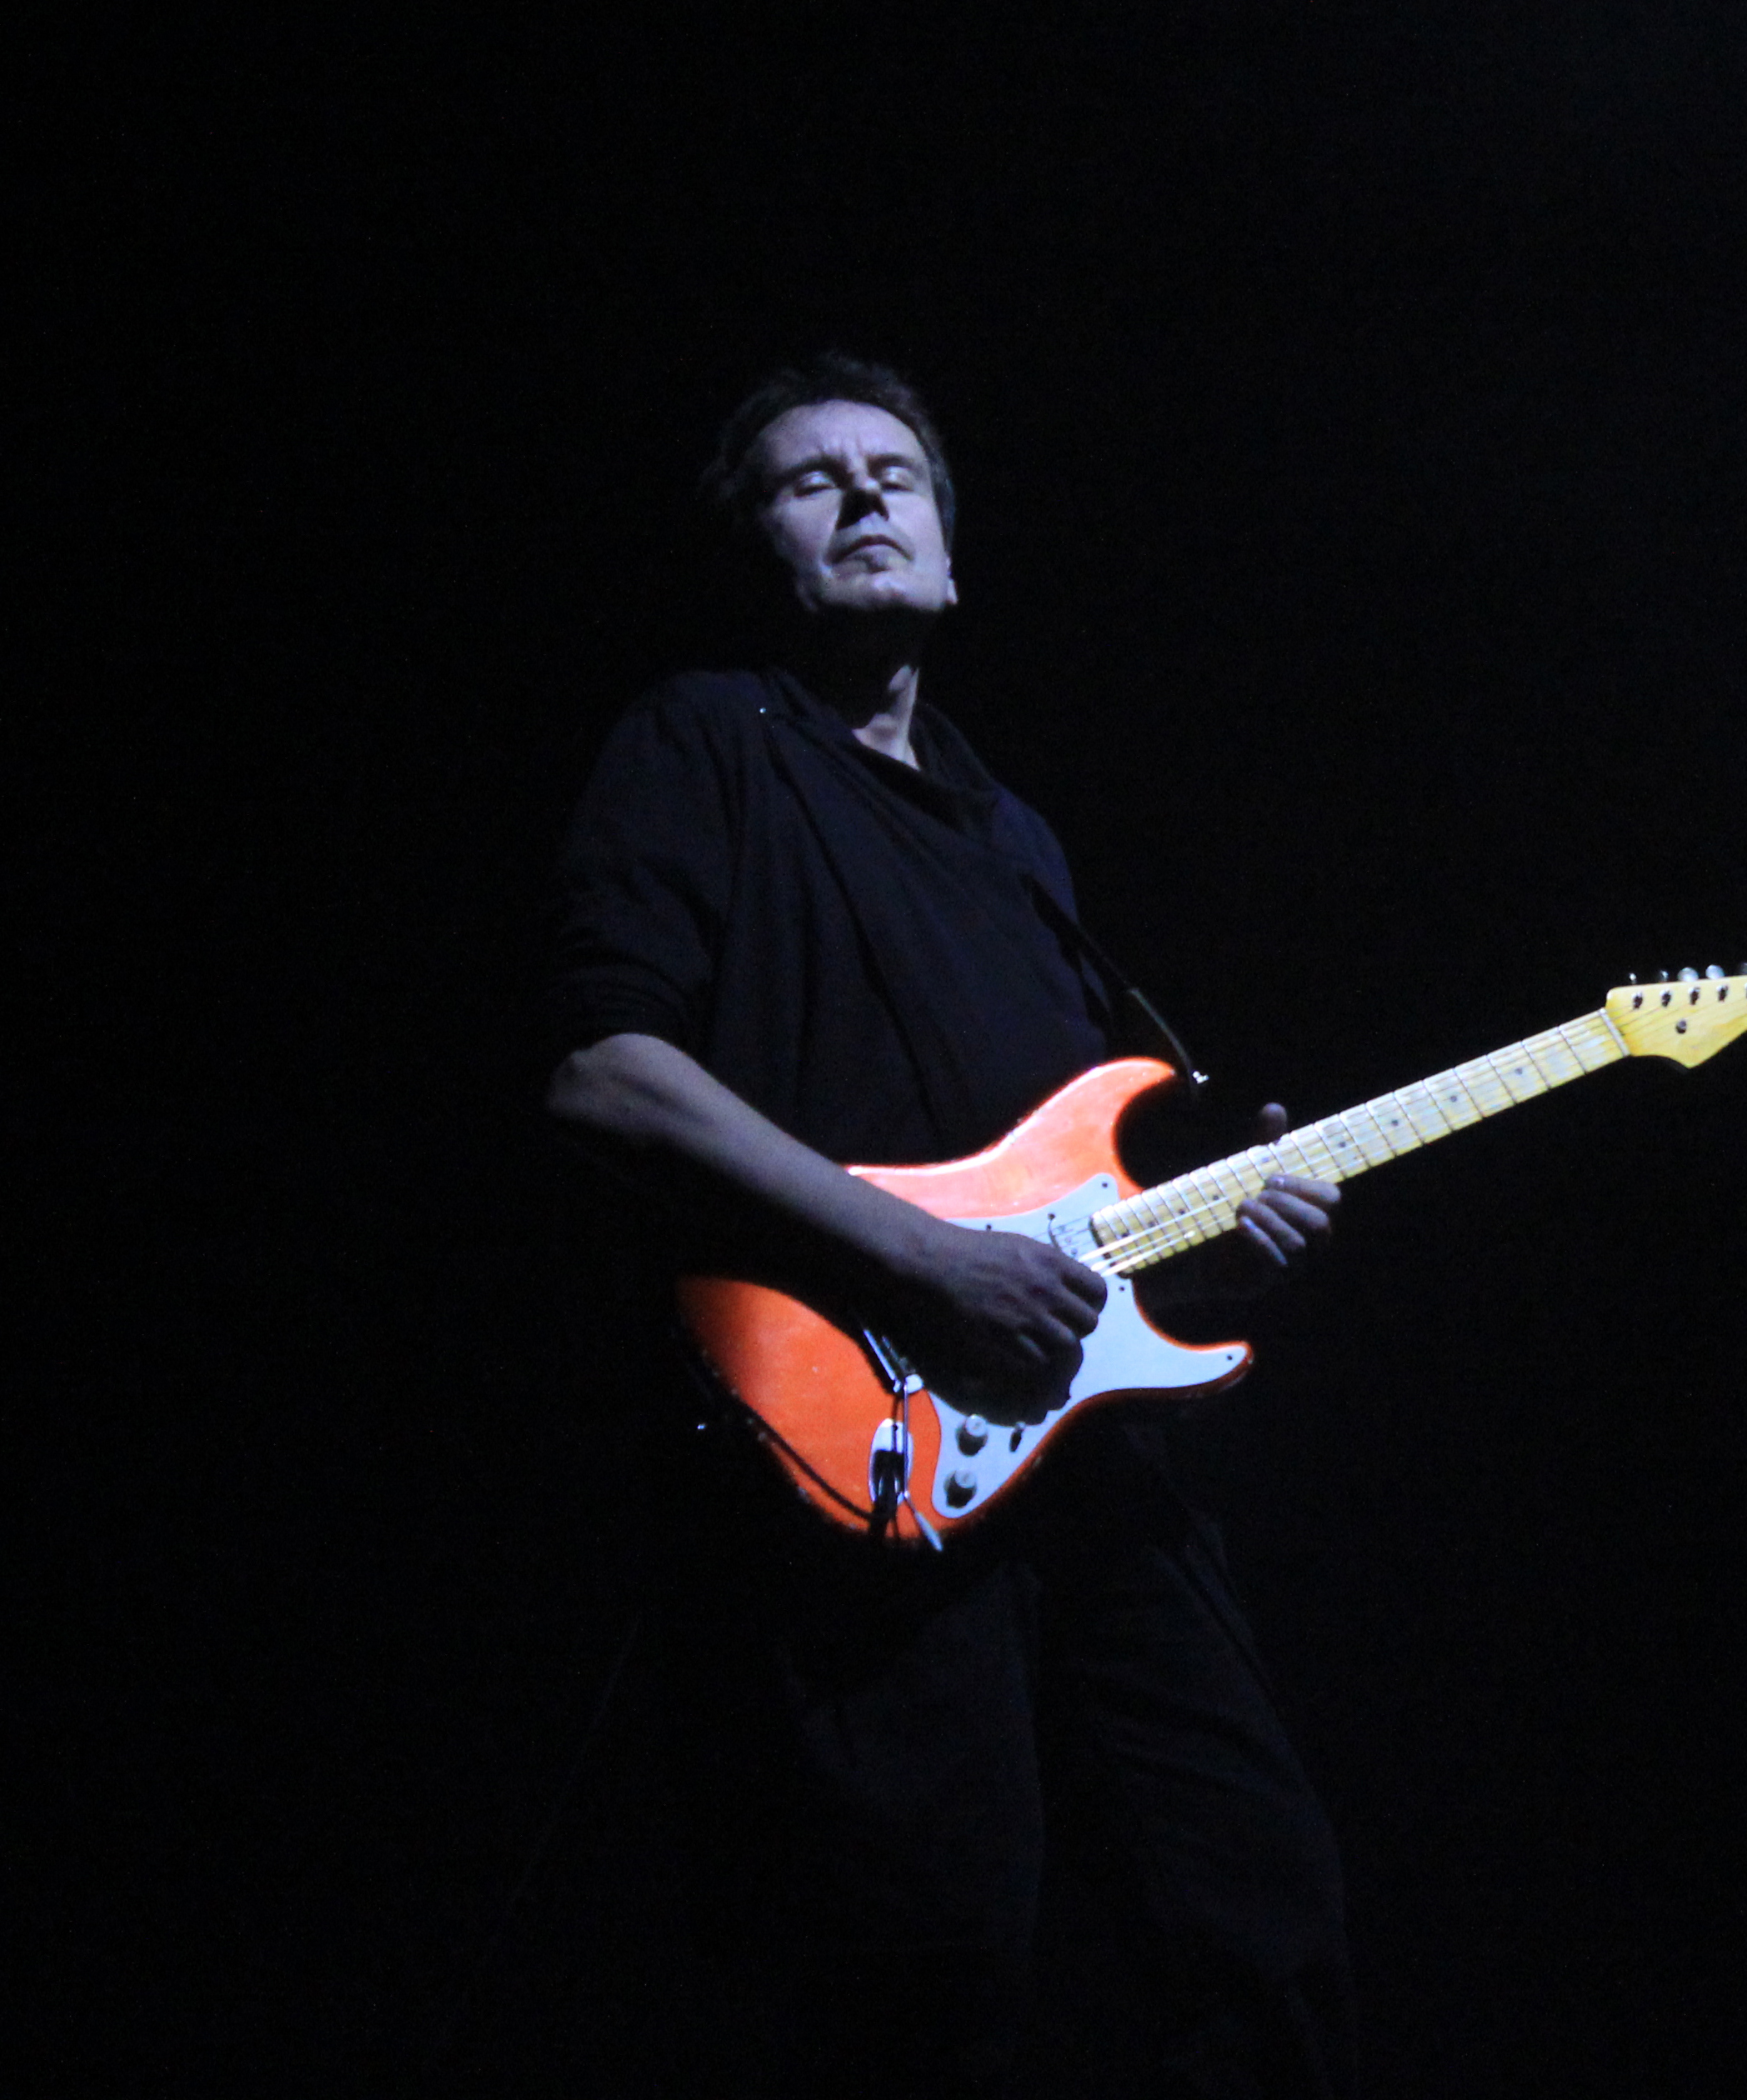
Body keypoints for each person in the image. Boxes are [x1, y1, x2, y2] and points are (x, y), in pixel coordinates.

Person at [542, 355, 1357, 2098]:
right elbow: (607, 1078)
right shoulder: (707, 741)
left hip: (1090, 1453)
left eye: (895, 473)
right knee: (930, 1959)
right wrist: (920, 1263)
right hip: (863, 1445)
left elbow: (1064, 1191)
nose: (863, 494)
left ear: (952, 551)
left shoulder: (1017, 842)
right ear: (758, 549)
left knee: (1258, 1912)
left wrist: (1223, 1224)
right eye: (810, 478)